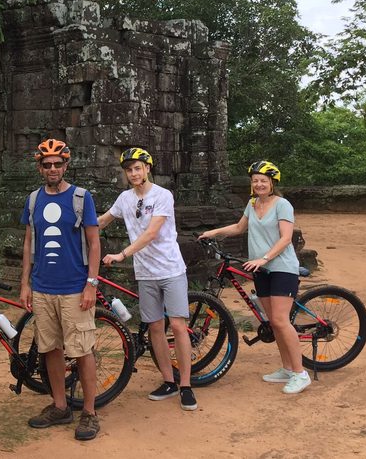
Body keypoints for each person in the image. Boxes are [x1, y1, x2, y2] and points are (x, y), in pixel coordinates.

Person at [99, 148, 198, 411]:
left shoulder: (162, 195)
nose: (134, 173)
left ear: (147, 168)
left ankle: (185, 385)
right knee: (155, 328)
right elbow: (103, 221)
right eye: (129, 169)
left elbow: (152, 232)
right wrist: (76, 230)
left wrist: (122, 254)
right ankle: (168, 381)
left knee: (177, 326)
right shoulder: (124, 198)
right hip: (145, 273)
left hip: (170, 270)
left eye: (138, 168)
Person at [198, 160, 309, 394]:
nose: (259, 184)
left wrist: (264, 258)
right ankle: (288, 368)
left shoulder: (282, 205)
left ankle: (301, 373)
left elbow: (286, 238)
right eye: (255, 180)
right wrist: (213, 232)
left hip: (281, 267)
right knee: (272, 321)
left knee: (280, 320)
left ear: (272, 183)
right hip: (262, 270)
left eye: (263, 181)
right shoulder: (252, 203)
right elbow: (239, 228)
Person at [20, 139, 102, 441]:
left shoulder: (81, 198)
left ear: (66, 166)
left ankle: (90, 412)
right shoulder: (33, 200)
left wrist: (91, 284)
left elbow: (94, 243)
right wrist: (25, 283)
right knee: (50, 348)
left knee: (82, 350)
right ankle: (60, 405)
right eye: (47, 164)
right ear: (40, 168)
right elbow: (29, 243)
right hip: (43, 288)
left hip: (73, 288)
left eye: (58, 164)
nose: (53, 169)